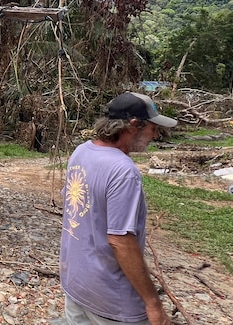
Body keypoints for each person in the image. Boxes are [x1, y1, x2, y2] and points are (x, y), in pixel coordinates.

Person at [60, 92, 177, 325]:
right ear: (134, 125)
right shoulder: (123, 171)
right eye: (152, 127)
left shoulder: (81, 152)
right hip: (112, 301)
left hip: (76, 285)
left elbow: (75, 207)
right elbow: (120, 241)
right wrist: (153, 304)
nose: (155, 135)